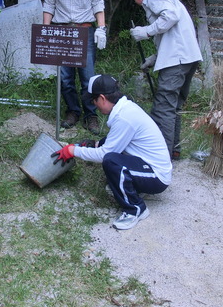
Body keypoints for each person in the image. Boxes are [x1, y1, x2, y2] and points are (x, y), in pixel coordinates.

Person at [51, 74, 171, 230]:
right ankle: (132, 188)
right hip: (146, 165)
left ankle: (135, 209)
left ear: (102, 98)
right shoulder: (125, 109)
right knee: (107, 147)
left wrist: (73, 151)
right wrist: (94, 145)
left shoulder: (124, 117)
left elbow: (103, 156)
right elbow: (113, 141)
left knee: (111, 161)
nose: (94, 105)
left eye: (93, 101)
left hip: (157, 177)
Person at [129, 0, 202, 160]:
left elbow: (170, 16)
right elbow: (174, 35)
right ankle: (173, 150)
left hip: (177, 61)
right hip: (187, 58)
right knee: (173, 106)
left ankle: (160, 156)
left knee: (163, 108)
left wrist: (145, 31)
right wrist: (154, 59)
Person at [42, 0, 107, 135]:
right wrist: (46, 32)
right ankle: (73, 111)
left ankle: (90, 114)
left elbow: (98, 3)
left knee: (88, 77)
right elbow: (49, 6)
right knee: (65, 78)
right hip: (61, 31)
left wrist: (101, 28)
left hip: (84, 30)